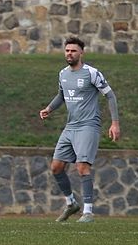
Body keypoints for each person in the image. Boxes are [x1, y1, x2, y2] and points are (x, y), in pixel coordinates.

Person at [39, 36, 120, 223]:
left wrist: (115, 123)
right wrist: (49, 108)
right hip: (70, 127)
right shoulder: (63, 74)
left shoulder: (92, 73)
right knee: (56, 167)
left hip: (88, 126)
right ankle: (71, 204)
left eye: (73, 51)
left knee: (82, 166)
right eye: (67, 50)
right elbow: (61, 95)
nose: (69, 54)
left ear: (81, 53)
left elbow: (110, 96)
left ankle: (88, 212)